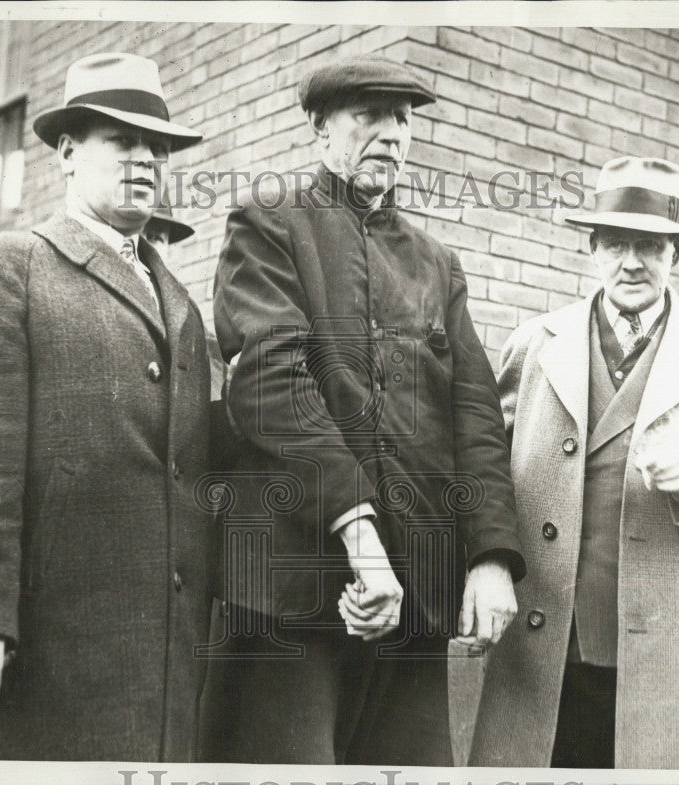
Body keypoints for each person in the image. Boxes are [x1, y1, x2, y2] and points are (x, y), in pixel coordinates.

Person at [198, 57, 525, 766]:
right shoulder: (269, 223)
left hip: (417, 598)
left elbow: (475, 417)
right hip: (295, 591)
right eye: (367, 115)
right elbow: (271, 384)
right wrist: (360, 532)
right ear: (320, 129)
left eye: (402, 119)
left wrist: (492, 557)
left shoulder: (439, 264)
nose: (389, 132)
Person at [0, 52, 217, 760]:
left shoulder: (181, 306)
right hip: (37, 660)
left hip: (160, 671)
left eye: (158, 146)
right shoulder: (7, 266)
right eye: (123, 139)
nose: (145, 158)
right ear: (68, 152)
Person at [468, 156, 679, 769]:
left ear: (674, 254)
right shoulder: (534, 343)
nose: (632, 262)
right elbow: (485, 470)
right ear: (593, 248)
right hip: (550, 653)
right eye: (617, 243)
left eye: (650, 245)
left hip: (677, 659)